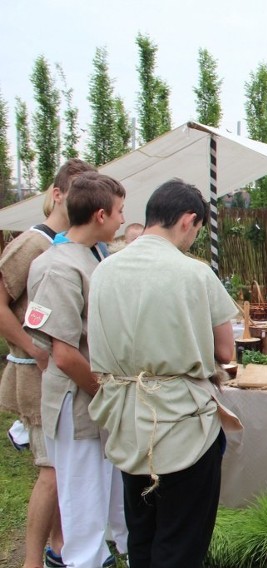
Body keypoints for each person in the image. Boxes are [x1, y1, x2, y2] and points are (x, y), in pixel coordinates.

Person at [87, 179, 242, 568]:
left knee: (142, 533)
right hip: (183, 422)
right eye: (198, 230)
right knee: (181, 540)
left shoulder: (104, 270)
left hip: (126, 419)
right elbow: (226, 351)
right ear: (189, 220)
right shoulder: (194, 274)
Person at [24, 171, 128, 568]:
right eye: (119, 211)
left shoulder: (92, 257)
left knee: (104, 494)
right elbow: (62, 354)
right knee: (83, 503)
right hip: (78, 401)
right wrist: (106, 394)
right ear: (100, 215)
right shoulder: (57, 266)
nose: (122, 219)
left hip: (96, 400)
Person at [0, 159, 94, 568]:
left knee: (62, 469)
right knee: (52, 472)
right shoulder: (33, 244)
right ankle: (32, 561)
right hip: (37, 373)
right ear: (57, 195)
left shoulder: (73, 247)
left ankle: (60, 546)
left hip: (58, 371)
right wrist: (33, 348)